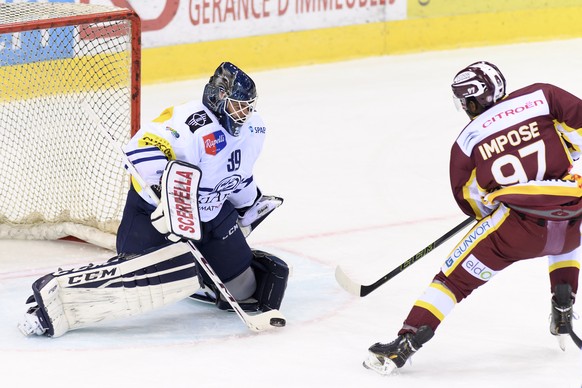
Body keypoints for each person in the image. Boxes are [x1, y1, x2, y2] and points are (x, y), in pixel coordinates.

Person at [18, 62, 289, 338]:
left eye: (248, 107)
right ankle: (54, 302)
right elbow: (139, 151)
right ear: (219, 97)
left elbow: (237, 175)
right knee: (143, 282)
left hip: (212, 216)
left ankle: (201, 279)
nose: (244, 114)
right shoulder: (188, 123)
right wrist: (167, 192)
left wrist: (249, 205)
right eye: (238, 106)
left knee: (247, 291)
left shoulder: (254, 129)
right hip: (155, 216)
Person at [363, 61, 582, 375]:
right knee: (565, 221)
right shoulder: (543, 96)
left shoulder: (468, 140)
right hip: (573, 218)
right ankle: (564, 301)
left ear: (471, 101)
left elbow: (471, 199)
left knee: (452, 281)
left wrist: (496, 207)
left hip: (514, 230)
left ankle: (407, 340)